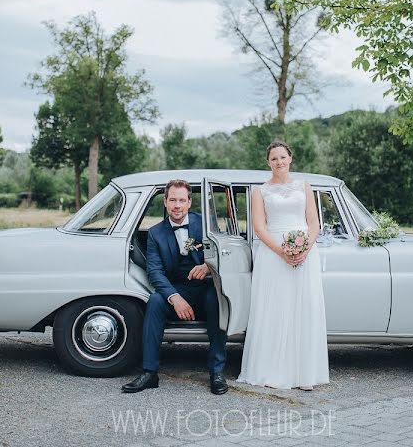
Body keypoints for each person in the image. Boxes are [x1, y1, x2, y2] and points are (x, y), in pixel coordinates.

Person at [121, 179, 229, 395]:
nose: (177, 205)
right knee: (154, 302)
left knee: (217, 299)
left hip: (205, 287)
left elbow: (223, 255)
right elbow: (155, 272)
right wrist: (174, 297)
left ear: (189, 202)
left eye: (181, 200)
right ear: (165, 203)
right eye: (172, 200)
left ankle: (217, 372)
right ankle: (149, 372)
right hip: (175, 288)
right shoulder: (155, 233)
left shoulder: (205, 225)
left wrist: (208, 267)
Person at [237, 140, 329, 390]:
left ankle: (304, 375)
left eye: (282, 157)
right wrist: (283, 252)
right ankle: (273, 371)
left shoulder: (304, 186)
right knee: (275, 309)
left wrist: (303, 249)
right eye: (274, 158)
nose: (279, 162)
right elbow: (259, 227)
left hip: (305, 254)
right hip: (272, 253)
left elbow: (313, 223)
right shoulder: (260, 191)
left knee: (303, 307)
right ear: (268, 162)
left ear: (290, 159)